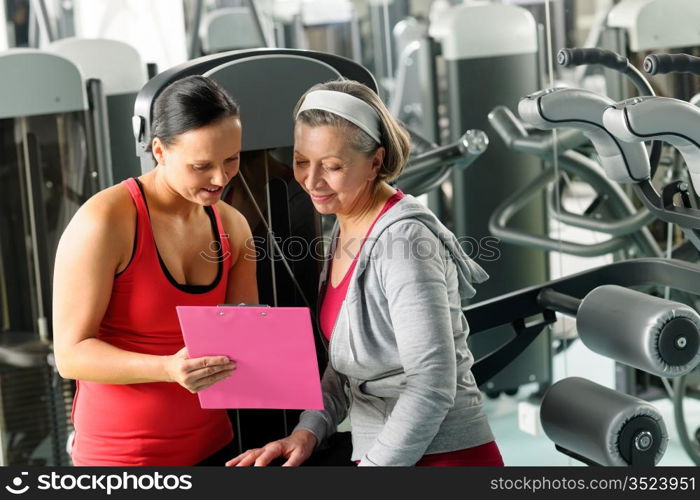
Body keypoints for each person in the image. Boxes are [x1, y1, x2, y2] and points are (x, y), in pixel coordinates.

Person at [227, 80, 503, 467]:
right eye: (302, 161)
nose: (311, 180)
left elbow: (433, 384)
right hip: (382, 452)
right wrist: (307, 432)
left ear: (375, 162)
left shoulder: (404, 242)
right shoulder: (345, 228)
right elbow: (343, 370)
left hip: (443, 454)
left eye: (333, 166)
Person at [52, 75, 258, 466]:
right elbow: (70, 354)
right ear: (160, 151)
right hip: (121, 460)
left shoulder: (232, 226)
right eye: (201, 166)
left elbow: (245, 339)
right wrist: (166, 368)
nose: (220, 178)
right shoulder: (105, 221)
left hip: (216, 448)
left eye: (231, 159)